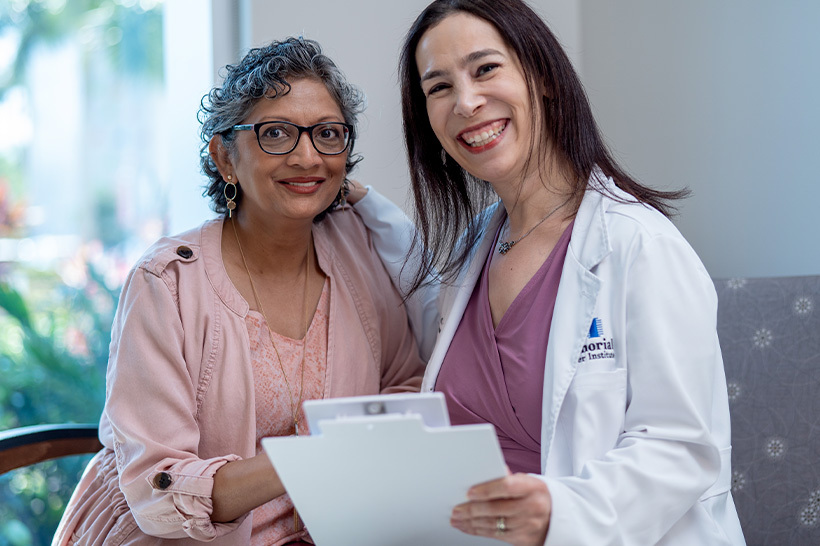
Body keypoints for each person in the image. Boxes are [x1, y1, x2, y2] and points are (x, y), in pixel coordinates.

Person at [393, 0, 747, 544]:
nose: (465, 101)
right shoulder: (469, 253)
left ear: (543, 77)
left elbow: (683, 448)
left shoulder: (640, 245)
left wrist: (560, 512)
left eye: (485, 69)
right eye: (439, 87)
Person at [53, 37, 426, 545]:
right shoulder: (166, 282)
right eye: (276, 133)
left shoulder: (361, 248)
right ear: (225, 157)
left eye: (327, 134)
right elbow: (158, 491)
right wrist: (311, 455)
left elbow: (407, 384)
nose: (307, 156)